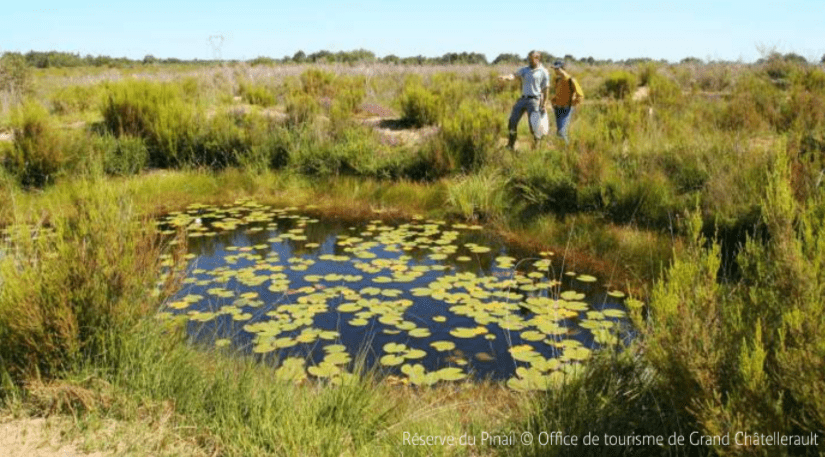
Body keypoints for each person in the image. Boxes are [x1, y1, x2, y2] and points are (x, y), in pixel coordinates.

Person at [498, 51, 550, 150]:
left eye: (532, 59)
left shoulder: (543, 72)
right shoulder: (524, 70)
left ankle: (536, 147)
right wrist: (506, 77)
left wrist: (544, 103)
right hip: (523, 99)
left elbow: (546, 89)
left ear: (538, 59)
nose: (529, 61)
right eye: (528, 59)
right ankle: (510, 144)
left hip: (535, 100)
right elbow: (514, 75)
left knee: (534, 126)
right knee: (512, 121)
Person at [550, 60, 584, 144]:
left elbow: (580, 95)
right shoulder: (557, 80)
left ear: (562, 68)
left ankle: (567, 149)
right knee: (559, 132)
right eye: (554, 69)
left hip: (566, 109)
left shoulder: (571, 80)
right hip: (557, 108)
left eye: (557, 69)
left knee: (562, 132)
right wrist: (553, 101)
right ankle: (561, 150)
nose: (555, 71)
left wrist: (573, 103)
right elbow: (558, 93)